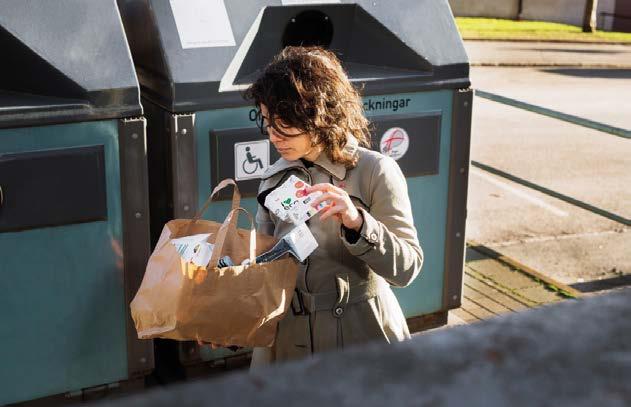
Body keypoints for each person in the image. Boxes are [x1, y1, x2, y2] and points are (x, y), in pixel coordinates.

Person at [244, 46, 423, 366]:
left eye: (284, 122)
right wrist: (224, 312)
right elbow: (264, 270)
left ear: (319, 112)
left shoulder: (374, 170)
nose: (274, 135)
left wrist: (358, 223)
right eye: (268, 122)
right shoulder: (273, 179)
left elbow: (408, 268)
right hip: (287, 342)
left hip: (361, 338)